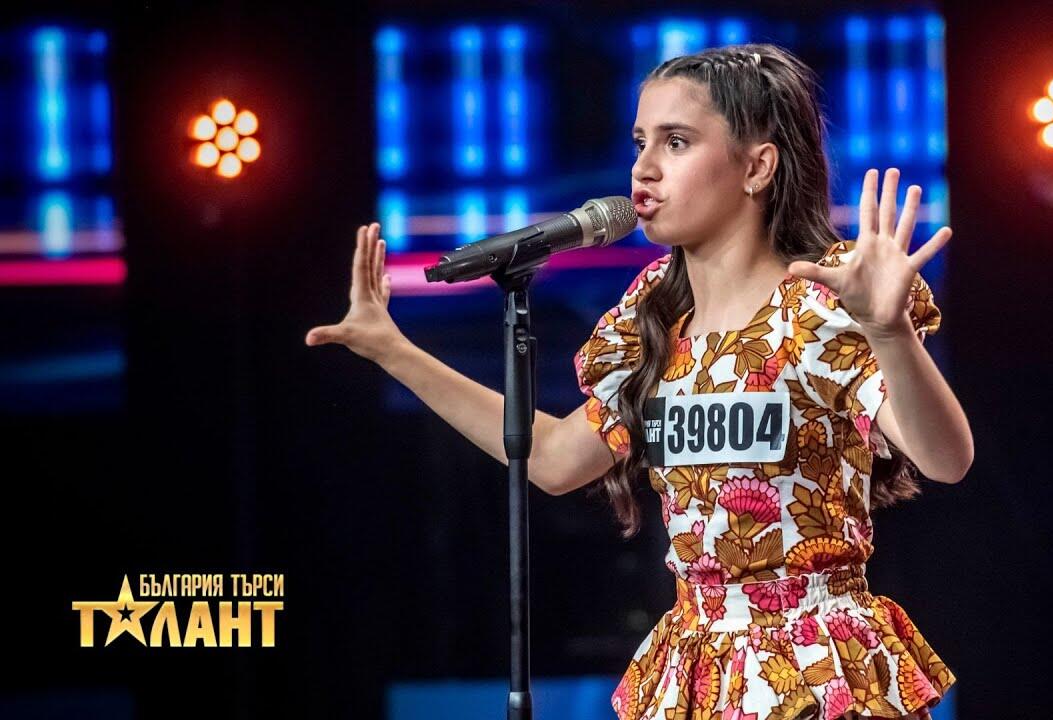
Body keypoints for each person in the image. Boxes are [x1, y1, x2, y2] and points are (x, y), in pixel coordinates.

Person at [307, 41, 970, 720]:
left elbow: (946, 459)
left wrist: (889, 332)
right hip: (696, 666)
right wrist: (393, 350)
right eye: (640, 142)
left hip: (817, 666)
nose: (643, 168)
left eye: (676, 142)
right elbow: (555, 460)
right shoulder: (653, 317)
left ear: (757, 166)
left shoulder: (823, 303)